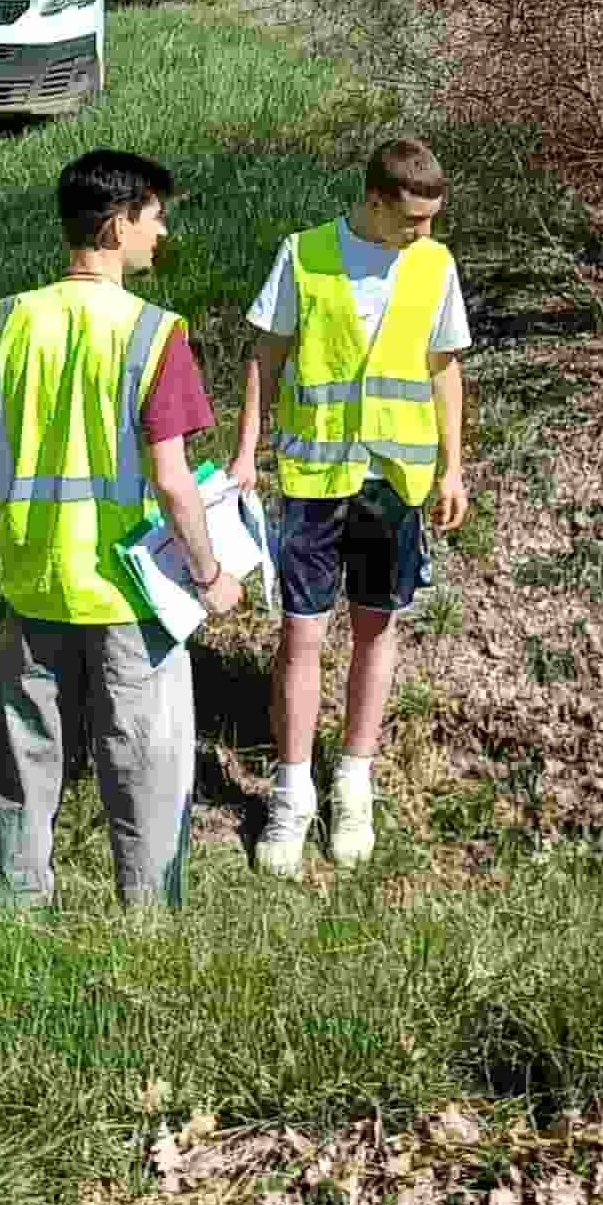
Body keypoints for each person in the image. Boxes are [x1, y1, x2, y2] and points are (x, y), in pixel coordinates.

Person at [0, 148, 239, 913]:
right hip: (127, 591)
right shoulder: (152, 333)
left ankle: (16, 908)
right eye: (154, 219)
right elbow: (172, 479)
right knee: (144, 760)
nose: (161, 233)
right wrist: (210, 574)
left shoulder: (11, 321)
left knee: (25, 756)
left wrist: (13, 537)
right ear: (118, 226)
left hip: (34, 579)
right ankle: (146, 920)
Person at [228, 135, 474, 879]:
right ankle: (292, 793)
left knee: (376, 628)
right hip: (314, 475)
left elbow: (443, 368)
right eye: (413, 219)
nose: (425, 232)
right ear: (374, 201)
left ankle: (353, 783)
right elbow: (266, 355)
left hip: (394, 480)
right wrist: (246, 450)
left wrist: (454, 468)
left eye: (433, 219)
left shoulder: (434, 265)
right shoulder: (305, 255)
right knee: (301, 635)